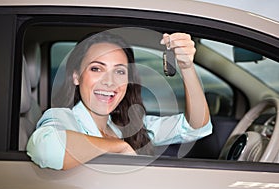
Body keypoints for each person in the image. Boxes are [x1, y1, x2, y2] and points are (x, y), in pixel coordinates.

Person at [26, 30, 212, 170]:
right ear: (76, 76)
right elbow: (46, 148)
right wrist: (119, 147)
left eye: (120, 71)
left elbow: (195, 127)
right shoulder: (63, 118)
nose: (109, 82)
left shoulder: (131, 125)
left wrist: (187, 67)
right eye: (96, 69)